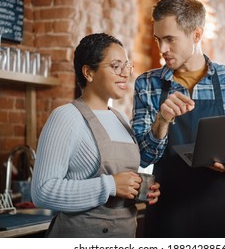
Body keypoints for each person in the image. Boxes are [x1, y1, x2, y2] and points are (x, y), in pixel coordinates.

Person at [131, 0, 225, 238]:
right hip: (168, 213)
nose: (163, 49)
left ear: (197, 35)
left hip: (223, 212)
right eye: (158, 39)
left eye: (170, 39)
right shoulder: (147, 84)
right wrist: (162, 121)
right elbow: (143, 157)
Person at [31, 33, 160, 238]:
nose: (125, 73)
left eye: (126, 66)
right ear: (89, 72)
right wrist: (110, 185)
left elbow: (121, 186)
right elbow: (42, 192)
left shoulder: (121, 120)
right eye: (116, 66)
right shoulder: (66, 117)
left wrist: (139, 190)